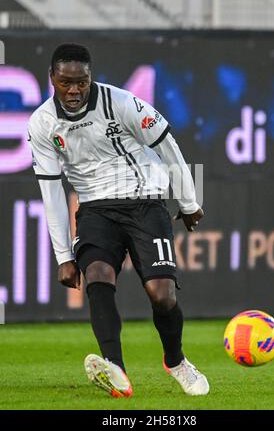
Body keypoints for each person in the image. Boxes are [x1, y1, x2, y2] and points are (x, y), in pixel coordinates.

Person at [28, 43, 209, 398]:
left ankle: (176, 361)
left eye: (81, 82)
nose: (74, 90)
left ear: (90, 78)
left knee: (162, 295)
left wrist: (188, 201)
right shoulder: (42, 123)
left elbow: (167, 144)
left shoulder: (122, 103)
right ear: (52, 78)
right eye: (66, 82)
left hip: (145, 202)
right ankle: (116, 369)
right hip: (96, 208)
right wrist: (63, 256)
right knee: (96, 274)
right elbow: (51, 191)